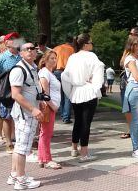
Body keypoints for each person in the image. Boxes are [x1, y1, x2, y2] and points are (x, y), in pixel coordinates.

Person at [61, 33, 104, 162]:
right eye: (91, 42)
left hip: (75, 92)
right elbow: (99, 74)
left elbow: (65, 76)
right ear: (85, 44)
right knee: (86, 123)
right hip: (88, 91)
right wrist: (95, 86)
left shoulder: (73, 57)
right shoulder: (92, 56)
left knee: (78, 121)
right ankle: (84, 152)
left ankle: (74, 148)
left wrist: (70, 91)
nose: (92, 44)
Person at [7, 42, 43, 190]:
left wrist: (40, 101)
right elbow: (16, 95)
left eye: (32, 48)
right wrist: (33, 109)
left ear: (35, 52)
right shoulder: (19, 70)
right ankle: (21, 180)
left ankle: (14, 175)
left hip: (27, 113)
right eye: (26, 49)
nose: (30, 51)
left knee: (19, 146)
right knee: (23, 147)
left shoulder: (32, 68)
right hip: (25, 114)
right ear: (20, 53)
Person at [0, 33, 22, 152]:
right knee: (6, 117)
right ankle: (9, 142)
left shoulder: (21, 56)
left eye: (16, 38)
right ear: (6, 43)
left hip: (20, 91)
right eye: (11, 39)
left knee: (20, 117)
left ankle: (19, 141)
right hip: (6, 92)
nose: (15, 41)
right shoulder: (1, 58)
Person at [37, 50, 62, 169]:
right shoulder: (44, 73)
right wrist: (53, 106)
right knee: (46, 133)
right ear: (45, 60)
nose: (54, 60)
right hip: (48, 107)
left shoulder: (50, 73)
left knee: (46, 133)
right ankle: (46, 159)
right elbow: (45, 93)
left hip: (51, 107)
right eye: (51, 58)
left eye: (55, 58)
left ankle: (42, 158)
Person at [52, 36, 75, 124]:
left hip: (56, 72)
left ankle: (62, 114)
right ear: (72, 42)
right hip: (67, 73)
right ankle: (66, 117)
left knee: (60, 95)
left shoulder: (56, 48)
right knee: (67, 95)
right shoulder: (71, 50)